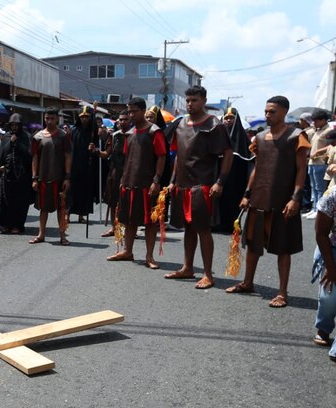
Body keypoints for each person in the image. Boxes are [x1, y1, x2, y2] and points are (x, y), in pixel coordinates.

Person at [225, 96, 309, 308]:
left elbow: (302, 170)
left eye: (272, 111)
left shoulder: (297, 136)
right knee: (253, 244)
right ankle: (247, 282)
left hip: (283, 201)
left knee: (283, 248)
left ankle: (282, 293)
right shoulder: (260, 137)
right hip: (259, 199)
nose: (267, 115)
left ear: (284, 112)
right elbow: (256, 169)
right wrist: (246, 193)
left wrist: (295, 199)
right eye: (266, 111)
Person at [165, 86, 233, 290]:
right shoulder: (181, 123)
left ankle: (208, 274)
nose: (190, 103)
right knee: (187, 228)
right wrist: (172, 180)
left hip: (203, 185)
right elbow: (178, 154)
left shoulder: (214, 124)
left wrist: (220, 181)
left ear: (204, 100)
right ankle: (187, 267)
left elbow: (228, 153)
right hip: (182, 184)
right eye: (188, 100)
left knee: (203, 229)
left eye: (194, 100)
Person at [107, 97, 167, 269]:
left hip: (147, 184)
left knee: (149, 222)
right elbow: (128, 159)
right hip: (128, 182)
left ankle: (149, 256)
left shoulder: (154, 132)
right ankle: (128, 251)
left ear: (142, 110)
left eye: (134, 111)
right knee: (129, 220)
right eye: (129, 111)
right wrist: (123, 180)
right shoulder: (130, 134)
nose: (131, 114)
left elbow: (162, 156)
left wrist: (156, 180)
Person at [29, 108, 72, 245]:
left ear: (57, 119)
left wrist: (67, 177)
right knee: (43, 208)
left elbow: (68, 156)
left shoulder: (63, 136)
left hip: (59, 178)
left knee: (61, 208)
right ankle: (41, 234)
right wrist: (34, 177)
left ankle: (62, 236)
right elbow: (35, 158)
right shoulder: (38, 137)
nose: (49, 121)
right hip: (43, 177)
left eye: (52, 118)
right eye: (47, 118)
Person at [0, 113, 33, 234]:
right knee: (5, 200)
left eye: (16, 125)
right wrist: (10, 143)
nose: (14, 127)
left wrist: (18, 143)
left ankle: (17, 225)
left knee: (20, 202)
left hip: (21, 175)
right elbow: (3, 153)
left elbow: (29, 155)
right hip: (7, 174)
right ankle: (6, 224)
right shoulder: (7, 136)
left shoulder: (26, 137)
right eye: (12, 125)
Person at [215, 107, 252, 232]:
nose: (228, 121)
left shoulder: (243, 138)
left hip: (237, 177)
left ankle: (233, 225)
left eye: (231, 118)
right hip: (219, 175)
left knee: (234, 199)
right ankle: (217, 224)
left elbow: (250, 159)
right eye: (226, 118)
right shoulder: (217, 135)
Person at [312, 185, 336, 361]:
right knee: (329, 298)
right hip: (332, 249)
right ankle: (324, 327)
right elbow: (321, 234)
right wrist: (330, 266)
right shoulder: (332, 196)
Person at [99, 110, 131, 237]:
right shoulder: (114, 136)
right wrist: (96, 151)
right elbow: (107, 153)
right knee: (113, 202)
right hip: (114, 173)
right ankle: (114, 228)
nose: (122, 122)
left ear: (130, 120)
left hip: (129, 175)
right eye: (121, 120)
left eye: (125, 119)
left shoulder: (134, 135)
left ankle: (126, 229)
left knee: (126, 204)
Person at [69, 105, 100, 223]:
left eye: (87, 117)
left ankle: (82, 215)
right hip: (74, 166)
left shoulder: (93, 132)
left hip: (88, 166)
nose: (84, 119)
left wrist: (93, 149)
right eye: (82, 117)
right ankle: (68, 213)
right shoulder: (73, 131)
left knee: (85, 191)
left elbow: (98, 149)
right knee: (72, 191)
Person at [303, 109, 331, 220]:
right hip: (312, 162)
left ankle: (319, 209)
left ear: (323, 120)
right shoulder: (316, 130)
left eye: (316, 120)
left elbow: (331, 145)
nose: (314, 123)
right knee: (313, 187)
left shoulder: (328, 131)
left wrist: (318, 152)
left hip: (320, 162)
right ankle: (314, 208)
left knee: (320, 188)